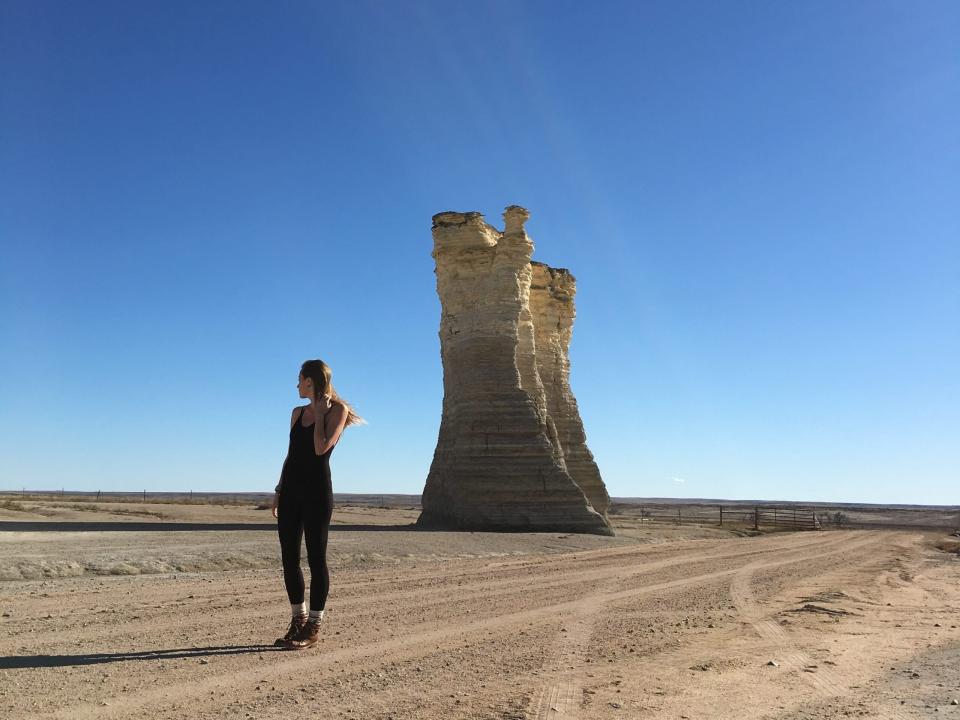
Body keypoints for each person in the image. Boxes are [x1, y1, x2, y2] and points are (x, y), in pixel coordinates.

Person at [272, 359, 363, 649]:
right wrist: (278, 489)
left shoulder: (338, 410)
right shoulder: (296, 413)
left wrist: (322, 415)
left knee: (315, 557)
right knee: (289, 558)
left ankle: (313, 626)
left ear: (310, 381)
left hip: (317, 494)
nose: (296, 385)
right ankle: (297, 620)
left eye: (299, 379)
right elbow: (292, 456)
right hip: (291, 492)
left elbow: (320, 448)